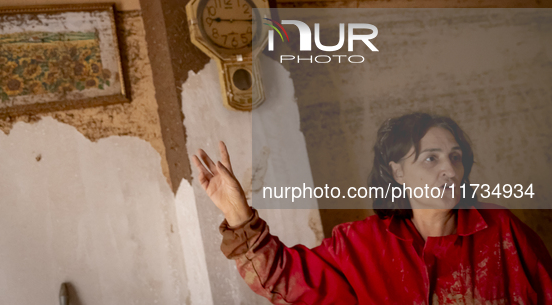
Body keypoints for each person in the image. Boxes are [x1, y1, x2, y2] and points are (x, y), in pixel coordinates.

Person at [192, 112, 552, 304]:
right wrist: (238, 215)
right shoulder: (357, 245)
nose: (449, 169)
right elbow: (286, 280)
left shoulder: (502, 231)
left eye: (455, 157)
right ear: (397, 171)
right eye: (431, 158)